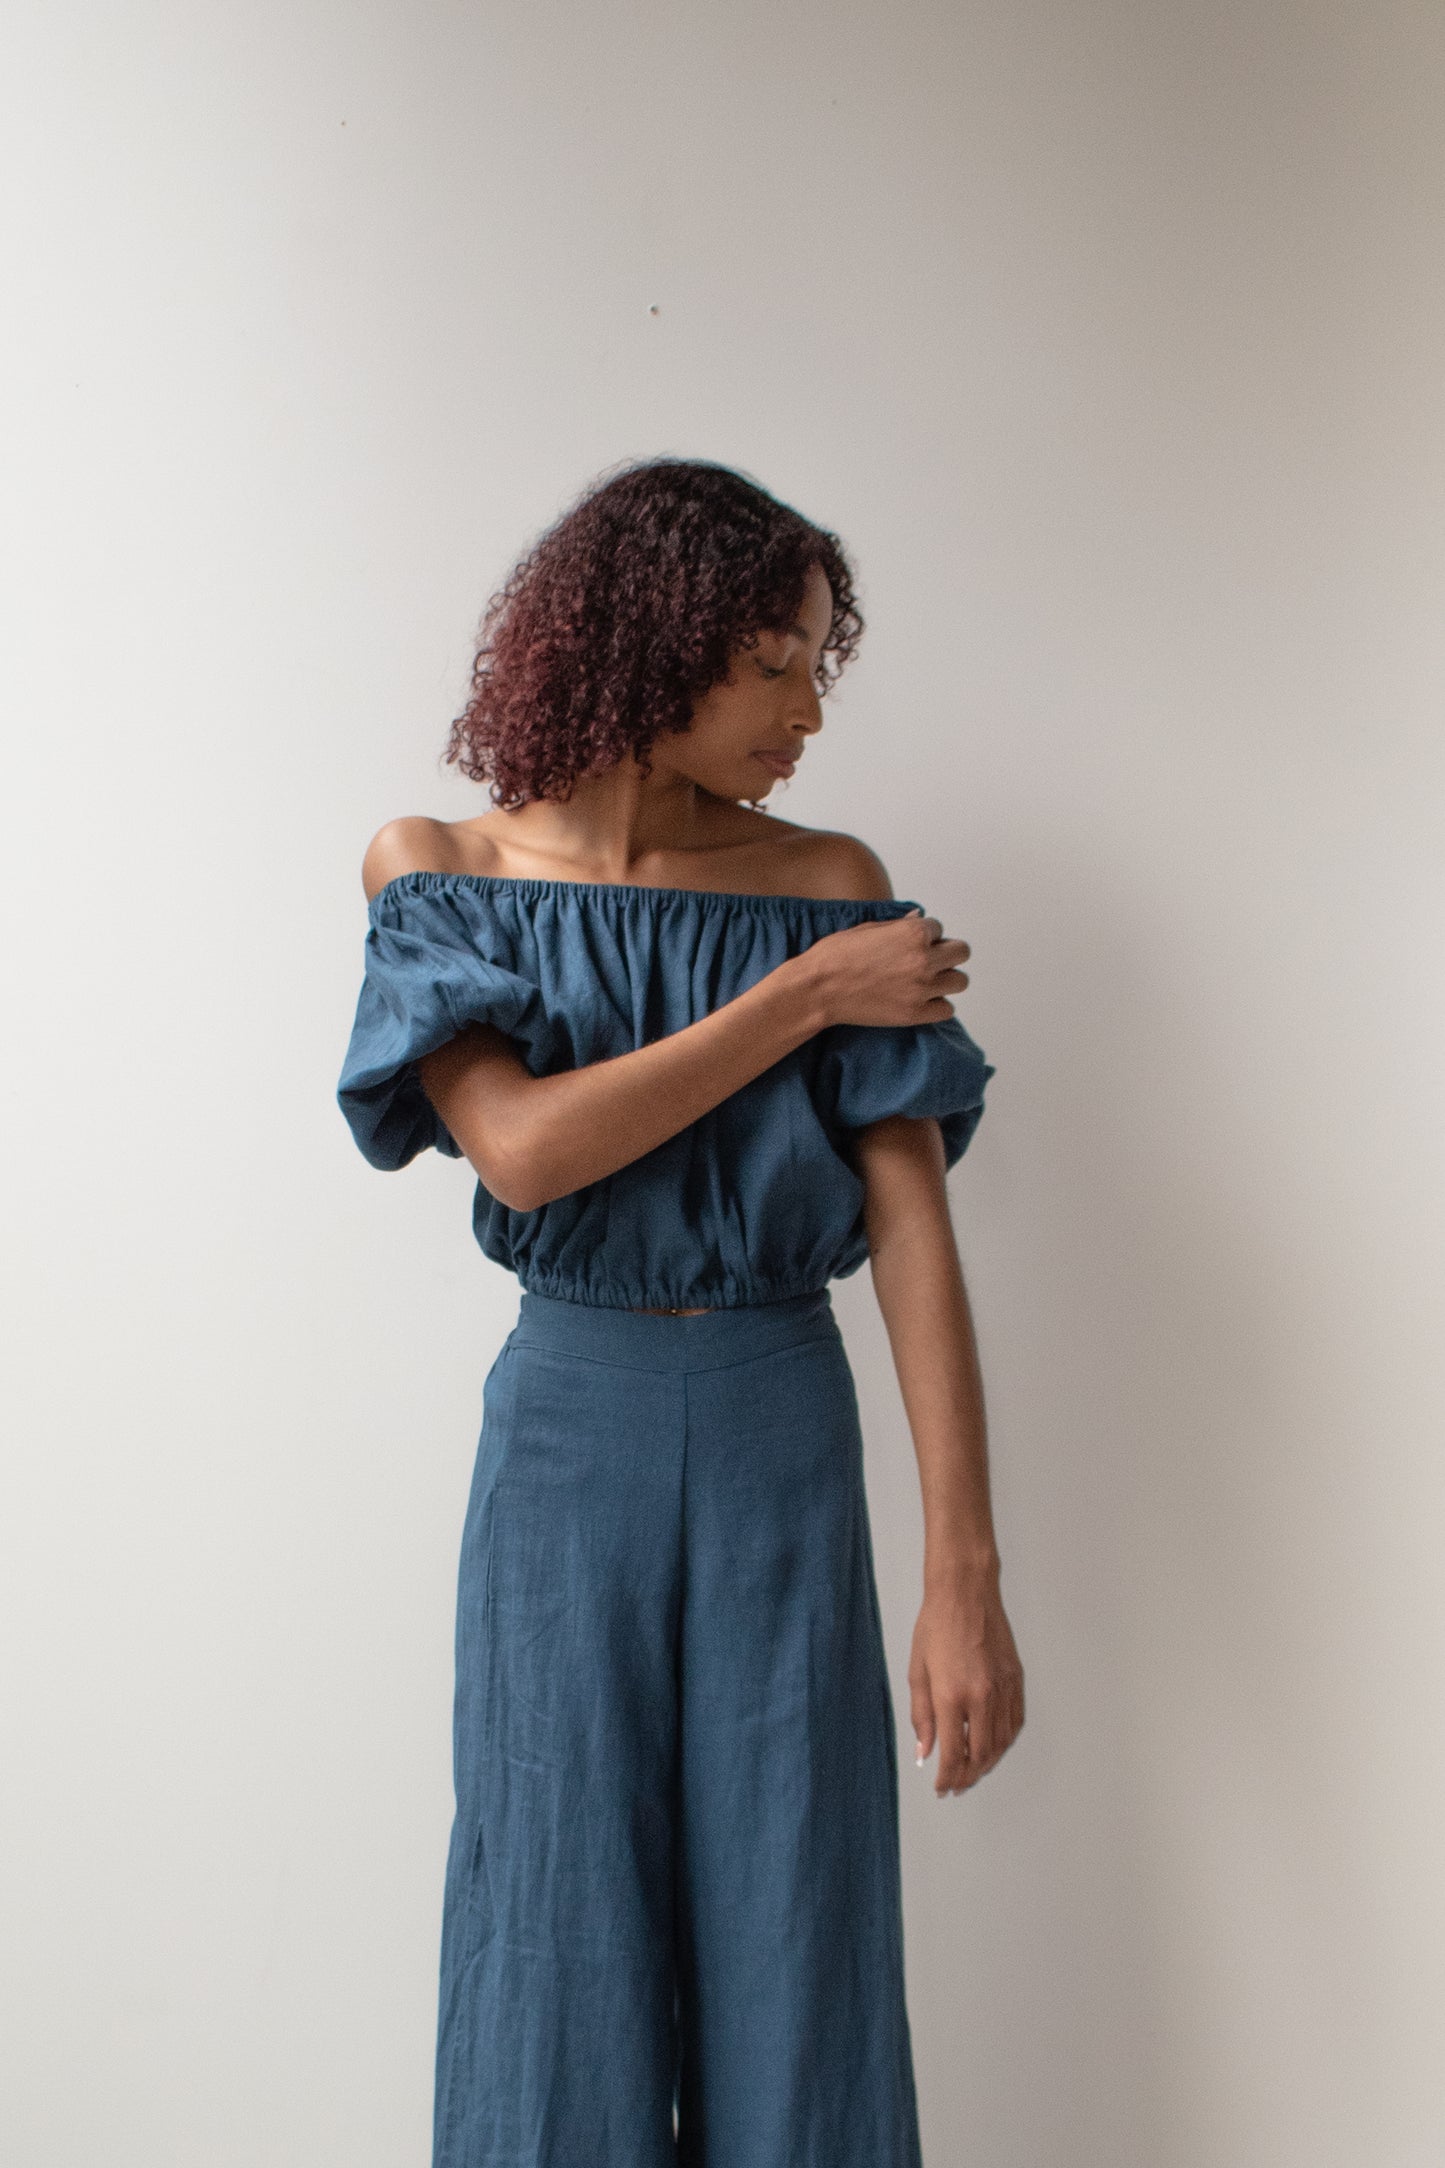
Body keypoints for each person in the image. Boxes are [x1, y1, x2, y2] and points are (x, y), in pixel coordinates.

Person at [336, 456, 1024, 2168]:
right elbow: (524, 1151)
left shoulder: (830, 876)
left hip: (785, 1419)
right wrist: (802, 995)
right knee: (549, 1918)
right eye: (772, 665)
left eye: (815, 667)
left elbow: (913, 1237)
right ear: (650, 651)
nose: (807, 712)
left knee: (797, 1916)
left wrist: (962, 1575)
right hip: (568, 1436)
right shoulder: (441, 868)